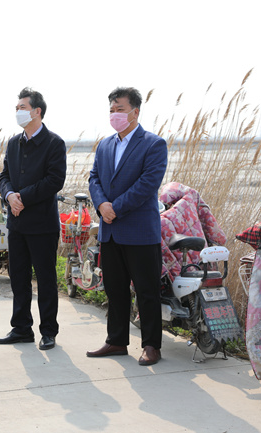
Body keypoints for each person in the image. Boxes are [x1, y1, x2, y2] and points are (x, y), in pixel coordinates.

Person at [86, 87, 168, 366]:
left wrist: (115, 208)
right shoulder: (105, 145)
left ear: (135, 112)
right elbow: (94, 178)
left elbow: (148, 184)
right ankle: (117, 341)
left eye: (119, 109)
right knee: (115, 289)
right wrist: (101, 205)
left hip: (139, 231)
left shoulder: (153, 144)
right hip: (110, 231)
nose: (114, 114)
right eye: (111, 110)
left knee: (146, 291)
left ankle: (151, 346)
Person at [0, 88, 66, 351]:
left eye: (22, 107)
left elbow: (54, 180)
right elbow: (4, 175)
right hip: (16, 223)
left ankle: (48, 331)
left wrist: (22, 197)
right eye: (16, 108)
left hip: (42, 224)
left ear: (37, 111)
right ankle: (21, 328)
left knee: (45, 279)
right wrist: (9, 195)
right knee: (18, 277)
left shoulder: (54, 143)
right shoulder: (14, 142)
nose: (18, 112)